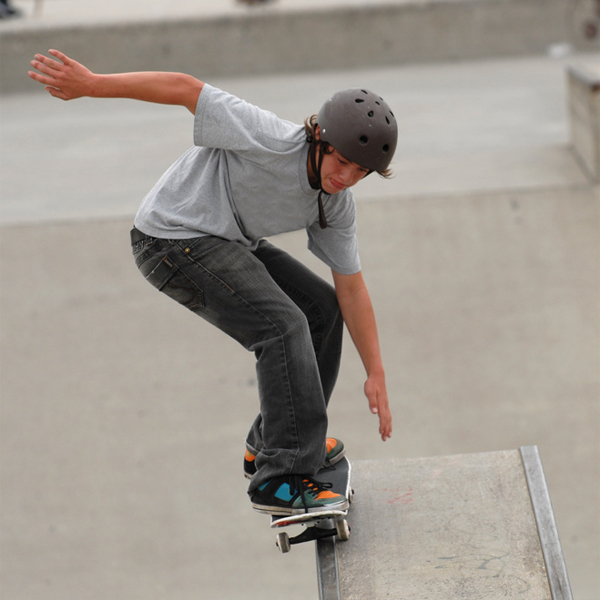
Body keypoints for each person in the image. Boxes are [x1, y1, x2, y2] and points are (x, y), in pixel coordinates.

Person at [28, 49, 397, 516]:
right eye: (340, 162)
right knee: (283, 325)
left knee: (321, 309)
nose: (344, 178)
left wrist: (376, 371)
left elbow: (351, 288)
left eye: (359, 172)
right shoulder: (267, 137)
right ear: (319, 138)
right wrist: (92, 83)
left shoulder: (336, 206)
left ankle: (277, 441)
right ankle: (281, 477)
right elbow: (185, 88)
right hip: (169, 239)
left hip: (226, 240)